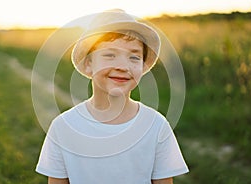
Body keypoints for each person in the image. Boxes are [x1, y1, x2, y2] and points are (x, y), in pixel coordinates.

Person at [35, 9, 189, 184]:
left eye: (134, 57)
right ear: (88, 64)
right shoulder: (63, 127)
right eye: (110, 55)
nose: (123, 66)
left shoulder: (156, 126)